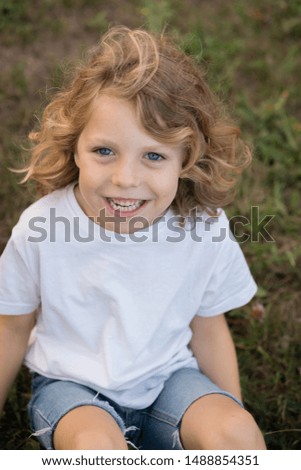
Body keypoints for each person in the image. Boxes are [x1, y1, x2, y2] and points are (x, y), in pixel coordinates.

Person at [0, 26, 266, 450]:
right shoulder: (41, 228)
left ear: (186, 160)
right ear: (75, 148)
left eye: (154, 156)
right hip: (73, 390)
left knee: (236, 435)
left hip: (171, 380)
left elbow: (208, 325)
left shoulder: (203, 227)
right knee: (95, 448)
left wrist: (230, 408)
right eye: (104, 151)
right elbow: (12, 328)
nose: (125, 179)